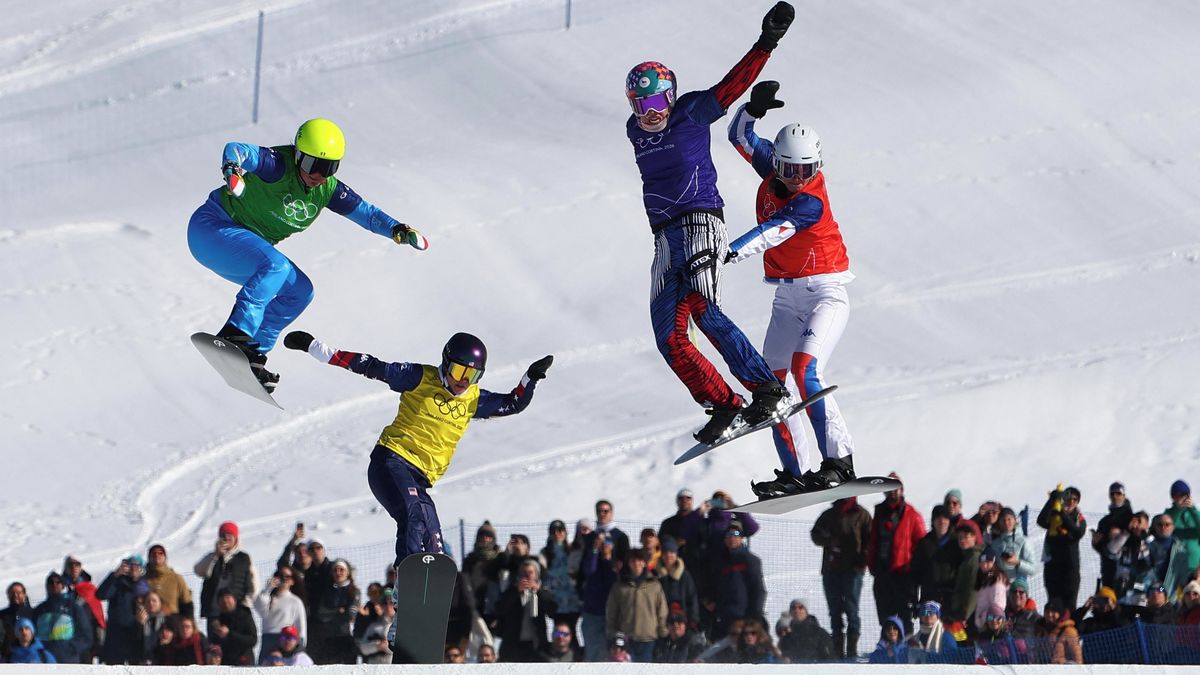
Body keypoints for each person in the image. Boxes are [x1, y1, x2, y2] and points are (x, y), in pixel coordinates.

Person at [624, 2, 796, 445]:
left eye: (659, 99)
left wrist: (766, 43)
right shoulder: (635, 129)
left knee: (704, 305)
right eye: (641, 103)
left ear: (672, 95)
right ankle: (723, 402)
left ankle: (767, 388)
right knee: (668, 337)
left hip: (701, 221)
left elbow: (731, 86)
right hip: (664, 238)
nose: (651, 111)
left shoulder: (691, 111)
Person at [187, 118, 428, 391]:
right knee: (275, 266)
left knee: (300, 291)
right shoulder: (278, 165)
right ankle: (234, 335)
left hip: (242, 248)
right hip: (212, 228)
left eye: (330, 167)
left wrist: (397, 229)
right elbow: (237, 149)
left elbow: (369, 215)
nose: (320, 175)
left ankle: (253, 354)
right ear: (299, 154)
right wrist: (232, 170)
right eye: (314, 165)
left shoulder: (327, 190)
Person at [284, 329, 552, 564]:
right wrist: (317, 349)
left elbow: (513, 404)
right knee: (412, 514)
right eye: (459, 371)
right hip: (392, 461)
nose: (463, 381)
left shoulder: (473, 398)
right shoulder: (419, 377)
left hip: (421, 477)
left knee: (432, 533)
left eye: (473, 375)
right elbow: (373, 367)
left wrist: (531, 377)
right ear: (446, 364)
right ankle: (408, 575)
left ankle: (424, 597)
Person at [722, 81, 856, 496]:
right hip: (787, 296)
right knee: (770, 383)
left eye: (807, 171)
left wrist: (728, 254)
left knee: (805, 370)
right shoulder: (777, 172)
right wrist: (752, 109)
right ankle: (795, 471)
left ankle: (839, 461)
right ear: (778, 165)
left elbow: (772, 232)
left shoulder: (810, 201)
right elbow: (738, 136)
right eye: (791, 170)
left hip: (825, 292)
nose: (798, 179)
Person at [866, 474, 926, 636]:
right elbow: (873, 541)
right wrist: (872, 565)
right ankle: (889, 649)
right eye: (889, 489)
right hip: (882, 571)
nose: (892, 492)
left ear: (902, 490)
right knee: (886, 615)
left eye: (895, 488)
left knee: (905, 614)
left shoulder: (912, 515)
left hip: (904, 573)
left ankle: (906, 648)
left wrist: (914, 567)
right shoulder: (879, 513)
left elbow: (921, 544)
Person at [810, 496, 870, 658]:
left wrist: (863, 558)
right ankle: (837, 650)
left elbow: (870, 540)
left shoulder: (862, 514)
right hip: (831, 569)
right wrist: (829, 540)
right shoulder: (829, 515)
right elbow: (815, 534)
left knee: (852, 610)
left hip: (853, 570)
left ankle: (851, 650)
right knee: (834, 610)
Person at [606, 548, 669, 662]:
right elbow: (612, 611)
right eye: (633, 561)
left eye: (640, 560)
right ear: (628, 563)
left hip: (649, 639)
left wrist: (663, 630)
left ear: (644, 563)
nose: (636, 564)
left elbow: (662, 610)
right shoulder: (619, 586)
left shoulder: (654, 585)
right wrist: (612, 631)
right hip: (626, 639)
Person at [194, 520, 257, 632]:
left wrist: (245, 603)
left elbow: (254, 583)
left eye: (230, 535)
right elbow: (198, 570)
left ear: (236, 538)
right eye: (223, 535)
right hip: (215, 612)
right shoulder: (213, 557)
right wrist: (215, 555)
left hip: (236, 610)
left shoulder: (243, 558)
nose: (226, 538)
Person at [494, 560, 556, 662]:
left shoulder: (544, 591)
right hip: (514, 643)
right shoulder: (511, 590)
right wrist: (516, 591)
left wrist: (538, 591)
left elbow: (552, 611)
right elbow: (499, 608)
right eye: (523, 573)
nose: (527, 576)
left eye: (530, 573)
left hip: (536, 644)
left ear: (537, 575)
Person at [1036, 484, 1087, 610]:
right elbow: (1041, 521)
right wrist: (1052, 501)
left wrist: (1062, 515)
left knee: (1069, 606)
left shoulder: (1078, 517)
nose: (1071, 501)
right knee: (1053, 604)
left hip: (1070, 568)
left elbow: (1078, 532)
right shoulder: (1054, 515)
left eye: (1074, 499)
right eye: (1068, 498)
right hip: (1052, 566)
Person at [97, 555, 151, 664]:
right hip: (116, 636)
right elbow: (101, 595)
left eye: (137, 566)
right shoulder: (117, 583)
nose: (134, 569)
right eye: (131, 566)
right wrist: (114, 575)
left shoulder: (145, 586)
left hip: (137, 636)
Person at [32, 571, 93, 664]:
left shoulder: (73, 607)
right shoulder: (39, 610)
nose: (54, 585)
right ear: (47, 586)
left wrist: (72, 648)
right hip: (44, 658)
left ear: (63, 586)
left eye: (57, 582)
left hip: (68, 658)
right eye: (51, 582)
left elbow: (86, 634)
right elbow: (31, 635)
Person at [309, 559, 360, 664]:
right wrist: (339, 610)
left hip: (346, 637)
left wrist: (334, 612)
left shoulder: (353, 590)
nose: (338, 573)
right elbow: (321, 614)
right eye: (335, 570)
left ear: (348, 573)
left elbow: (350, 614)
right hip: (329, 638)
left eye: (341, 570)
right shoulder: (328, 591)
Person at [254, 565, 307, 663]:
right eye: (281, 576)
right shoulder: (269, 598)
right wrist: (267, 589)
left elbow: (300, 626)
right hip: (268, 639)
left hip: (286, 640)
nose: (284, 579)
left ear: (292, 581)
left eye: (287, 576)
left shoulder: (295, 601)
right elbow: (259, 607)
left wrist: (300, 644)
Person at [1165, 479, 1200, 596]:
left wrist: (1193, 509)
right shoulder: (1169, 513)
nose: (1181, 498)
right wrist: (1178, 509)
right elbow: (1169, 525)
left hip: (1194, 567)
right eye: (1177, 495)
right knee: (1176, 599)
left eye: (1184, 495)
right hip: (1175, 566)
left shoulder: (1194, 513)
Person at [655, 538, 700, 628]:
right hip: (660, 621)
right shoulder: (655, 574)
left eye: (671, 552)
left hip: (682, 621)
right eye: (665, 553)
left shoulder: (685, 575)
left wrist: (693, 619)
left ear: (676, 555)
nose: (668, 556)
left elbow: (692, 597)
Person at [209, 589, 258, 666]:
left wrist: (229, 634)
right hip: (224, 662)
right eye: (222, 599)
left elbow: (252, 640)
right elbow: (213, 642)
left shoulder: (245, 615)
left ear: (234, 600)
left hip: (244, 660)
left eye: (228, 598)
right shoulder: (217, 619)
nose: (225, 601)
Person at [777, 599, 834, 663]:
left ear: (806, 611)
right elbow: (781, 655)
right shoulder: (786, 634)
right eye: (793, 608)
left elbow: (830, 657)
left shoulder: (819, 633)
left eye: (800, 607)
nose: (796, 610)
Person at [144, 544, 192, 617]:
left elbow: (187, 604)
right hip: (150, 624)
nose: (157, 556)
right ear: (149, 557)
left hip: (173, 623)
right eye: (153, 554)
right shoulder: (143, 580)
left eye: (160, 553)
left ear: (165, 557)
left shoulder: (176, 578)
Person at [1036, 599, 1081, 664]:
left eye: (1053, 612)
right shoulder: (1041, 630)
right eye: (1047, 612)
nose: (1050, 615)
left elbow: (1076, 655)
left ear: (1060, 613)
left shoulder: (1068, 631)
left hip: (1062, 669)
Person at [1, 582, 33, 661]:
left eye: (19, 593)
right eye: (12, 593)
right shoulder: (2, 615)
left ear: (24, 594)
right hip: (7, 657)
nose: (15, 595)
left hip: (30, 656)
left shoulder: (33, 613)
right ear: (8, 595)